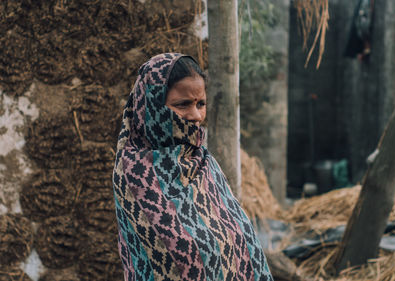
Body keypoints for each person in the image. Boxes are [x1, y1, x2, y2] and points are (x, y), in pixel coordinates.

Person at [113, 53, 274, 281]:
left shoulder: (204, 163)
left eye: (201, 104)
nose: (196, 115)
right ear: (152, 106)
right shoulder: (134, 171)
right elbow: (171, 254)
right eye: (182, 104)